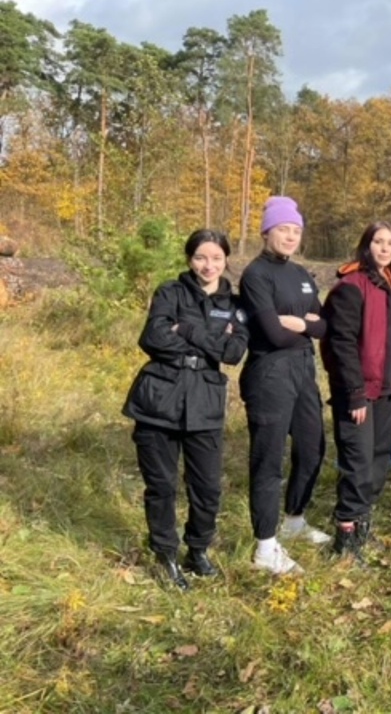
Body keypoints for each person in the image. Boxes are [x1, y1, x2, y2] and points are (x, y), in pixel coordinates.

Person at [123, 229, 249, 590]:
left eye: (216, 258)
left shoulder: (236, 305)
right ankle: (166, 555)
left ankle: (198, 549)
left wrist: (187, 329)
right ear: (189, 259)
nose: (208, 265)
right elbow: (152, 338)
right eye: (200, 257)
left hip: (205, 402)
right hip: (159, 400)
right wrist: (211, 341)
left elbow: (233, 353)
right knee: (161, 486)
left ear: (226, 260)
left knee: (207, 487)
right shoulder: (170, 292)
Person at [240, 196, 329, 576]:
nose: (291, 237)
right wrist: (305, 325)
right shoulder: (256, 275)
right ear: (266, 232)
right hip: (270, 373)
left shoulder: (302, 274)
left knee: (312, 448)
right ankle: (265, 546)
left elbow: (324, 326)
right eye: (283, 230)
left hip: (303, 370)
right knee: (269, 459)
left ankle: (294, 520)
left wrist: (301, 324)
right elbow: (273, 335)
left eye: (296, 231)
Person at [322, 221, 391, 560]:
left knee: (378, 459)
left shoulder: (389, 286)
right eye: (378, 242)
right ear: (366, 246)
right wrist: (355, 392)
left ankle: (363, 524)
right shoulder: (352, 286)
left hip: (385, 390)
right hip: (357, 392)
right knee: (357, 461)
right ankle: (345, 536)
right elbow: (340, 343)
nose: (384, 248)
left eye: (390, 243)